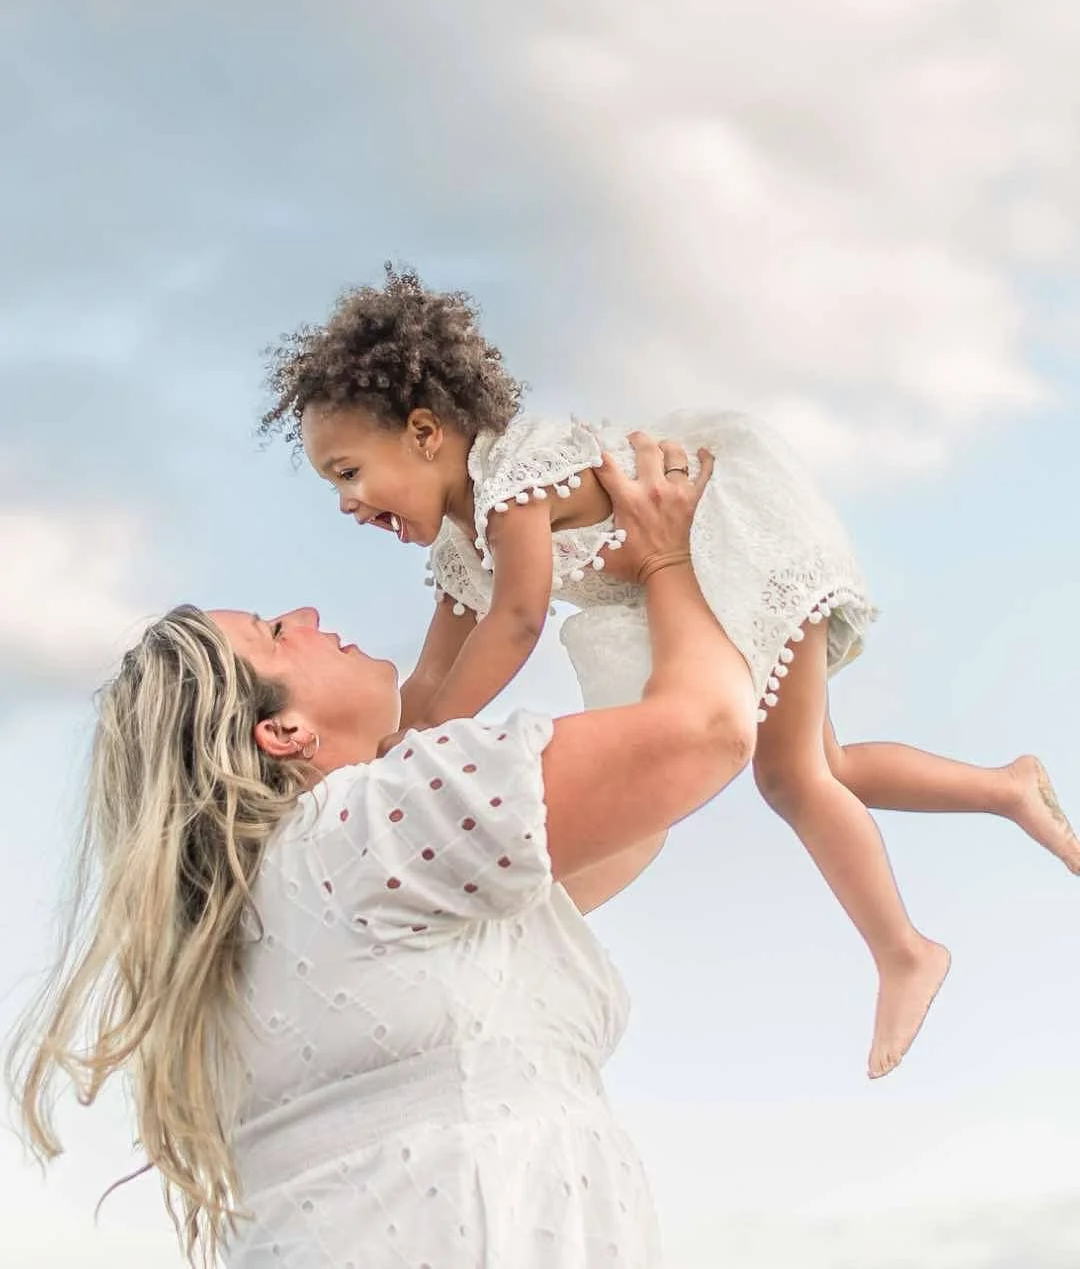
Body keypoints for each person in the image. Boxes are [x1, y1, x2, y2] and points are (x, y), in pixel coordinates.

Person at [259, 263, 1079, 1081]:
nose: (345, 502)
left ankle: (906, 951)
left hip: (733, 536)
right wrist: (377, 767)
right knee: (827, 767)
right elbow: (432, 683)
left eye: (349, 472)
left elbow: (518, 620)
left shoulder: (511, 485)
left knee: (792, 779)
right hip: (686, 581)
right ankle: (1006, 786)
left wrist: (415, 753)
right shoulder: (457, 546)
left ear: (426, 432)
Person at [7, 435, 757, 1269]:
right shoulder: (367, 826)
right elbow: (705, 733)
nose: (309, 616)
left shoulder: (286, 900)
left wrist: (614, 601)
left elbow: (638, 816)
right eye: (275, 632)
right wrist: (665, 559)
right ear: (282, 732)